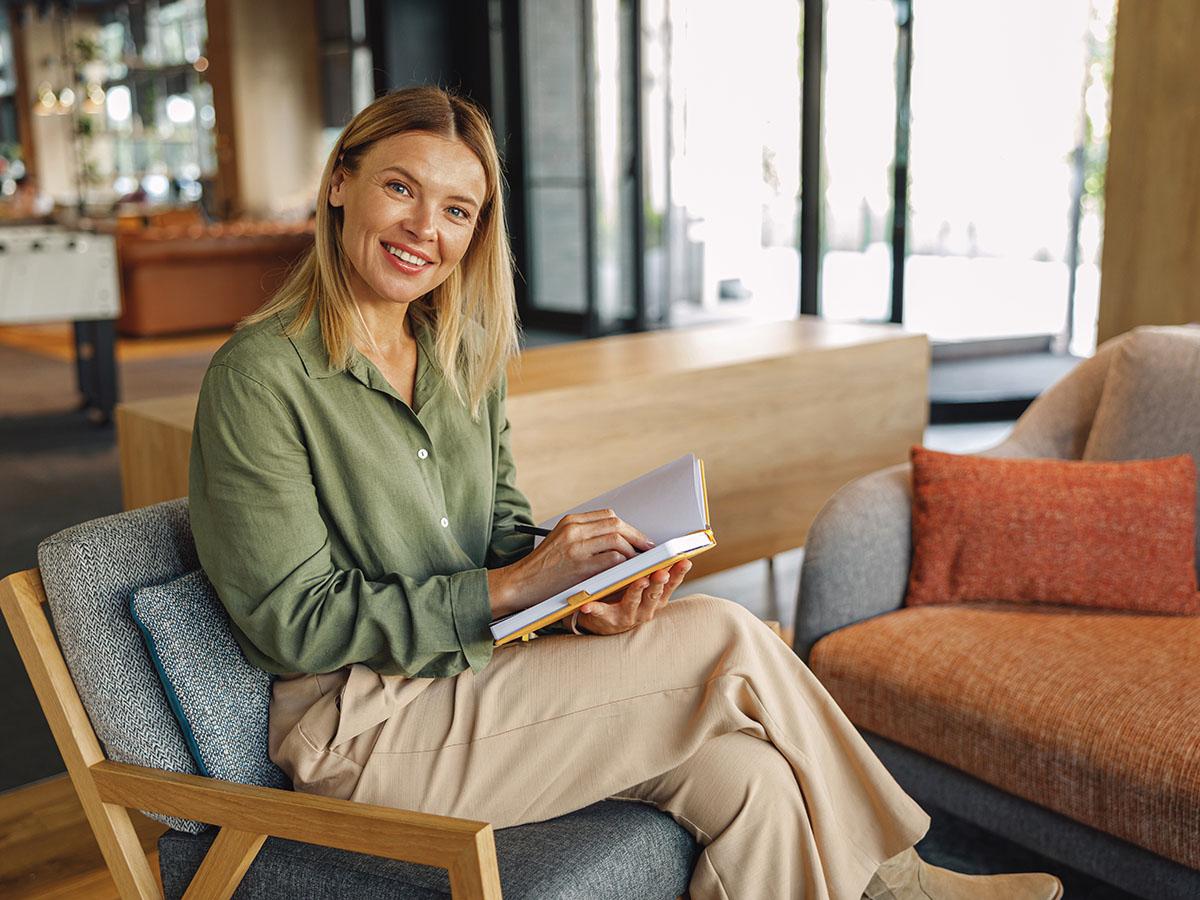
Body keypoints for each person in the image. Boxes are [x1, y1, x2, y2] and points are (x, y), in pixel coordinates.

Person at [189, 86, 1062, 900]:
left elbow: (495, 533)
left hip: (487, 682)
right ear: (341, 183)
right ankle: (902, 884)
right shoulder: (261, 376)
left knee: (750, 781)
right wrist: (511, 590)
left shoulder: (459, 355)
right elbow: (287, 621)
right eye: (400, 189)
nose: (426, 228)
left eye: (457, 210)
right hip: (362, 726)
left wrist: (573, 598)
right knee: (728, 630)